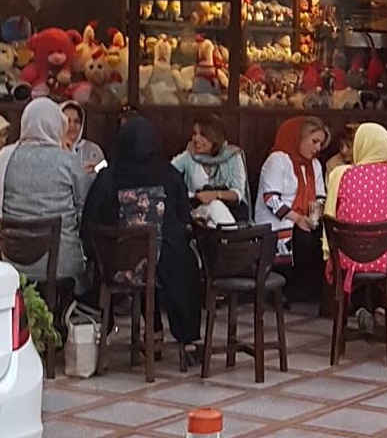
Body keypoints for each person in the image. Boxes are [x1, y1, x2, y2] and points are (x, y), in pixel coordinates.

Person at [81, 115, 202, 361]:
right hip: (166, 265)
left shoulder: (109, 177)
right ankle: (187, 339)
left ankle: (149, 333)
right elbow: (184, 217)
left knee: (139, 258)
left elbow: (90, 222)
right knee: (179, 262)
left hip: (119, 267)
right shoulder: (169, 175)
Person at [323, 123, 387, 330]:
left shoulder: (344, 176)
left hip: (350, 257)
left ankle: (360, 308)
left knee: (357, 259)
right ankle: (382, 309)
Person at [0, 98, 89, 292]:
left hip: (11, 263)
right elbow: (83, 207)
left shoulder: (5, 157)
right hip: (61, 264)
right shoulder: (69, 161)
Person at [256, 116, 328, 303]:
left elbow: (320, 196)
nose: (318, 148)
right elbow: (271, 199)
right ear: (299, 137)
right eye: (314, 141)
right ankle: (292, 290)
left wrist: (314, 217)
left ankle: (313, 290)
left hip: (304, 219)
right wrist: (297, 218)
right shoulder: (277, 160)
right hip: (278, 221)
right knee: (303, 239)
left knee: (323, 236)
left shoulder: (315, 165)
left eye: (320, 143)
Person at [171, 114, 250, 225]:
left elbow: (238, 193)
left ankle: (229, 233)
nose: (196, 138)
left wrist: (215, 195)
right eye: (194, 134)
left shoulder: (232, 156)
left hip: (231, 212)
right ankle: (233, 235)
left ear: (214, 138)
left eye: (202, 135)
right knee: (214, 206)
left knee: (212, 219)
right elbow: (168, 172)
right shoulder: (189, 156)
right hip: (197, 212)